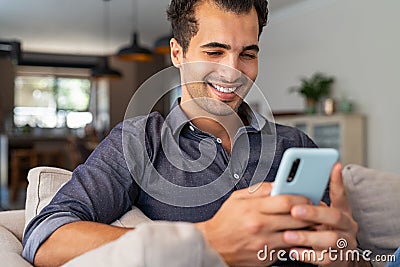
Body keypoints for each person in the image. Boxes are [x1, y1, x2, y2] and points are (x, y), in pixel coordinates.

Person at [23, 0, 363, 266]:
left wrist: (347, 255)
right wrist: (204, 240)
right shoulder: (140, 142)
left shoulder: (294, 144)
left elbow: (349, 252)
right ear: (177, 53)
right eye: (214, 52)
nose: (232, 72)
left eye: (247, 54)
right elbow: (46, 237)